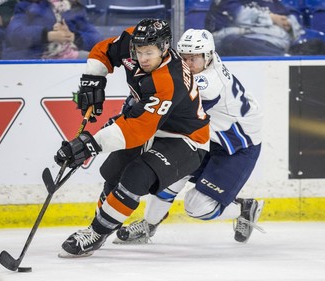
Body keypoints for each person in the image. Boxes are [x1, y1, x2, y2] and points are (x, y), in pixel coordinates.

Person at [53, 18, 210, 257]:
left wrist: (90, 146)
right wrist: (93, 78)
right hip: (154, 125)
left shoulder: (169, 80)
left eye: (149, 52)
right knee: (113, 175)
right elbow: (104, 49)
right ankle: (100, 224)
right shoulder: (133, 41)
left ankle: (96, 234)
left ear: (165, 47)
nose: (143, 58)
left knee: (136, 176)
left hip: (187, 140)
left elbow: (137, 130)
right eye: (139, 51)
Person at [112, 29, 265, 245]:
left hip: (236, 145)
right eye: (183, 57)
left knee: (197, 207)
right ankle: (148, 226)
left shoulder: (209, 84)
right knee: (170, 175)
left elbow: (171, 111)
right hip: (207, 136)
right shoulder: (195, 65)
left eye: (193, 58)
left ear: (208, 56)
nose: (187, 62)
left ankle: (244, 208)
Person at [205, 0, 325, 56]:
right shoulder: (226, 2)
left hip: (276, 44)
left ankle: (285, 56)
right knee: (232, 42)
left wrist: (288, 24)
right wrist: (271, 18)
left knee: (318, 44)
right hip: (240, 41)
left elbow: (291, 20)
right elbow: (239, 17)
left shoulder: (270, 2)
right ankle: (284, 58)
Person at [2, 0, 102, 60]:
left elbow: (96, 39)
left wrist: (72, 36)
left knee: (98, 61)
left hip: (69, 56)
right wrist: (48, 35)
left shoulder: (74, 8)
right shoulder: (27, 6)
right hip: (35, 58)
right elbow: (14, 33)